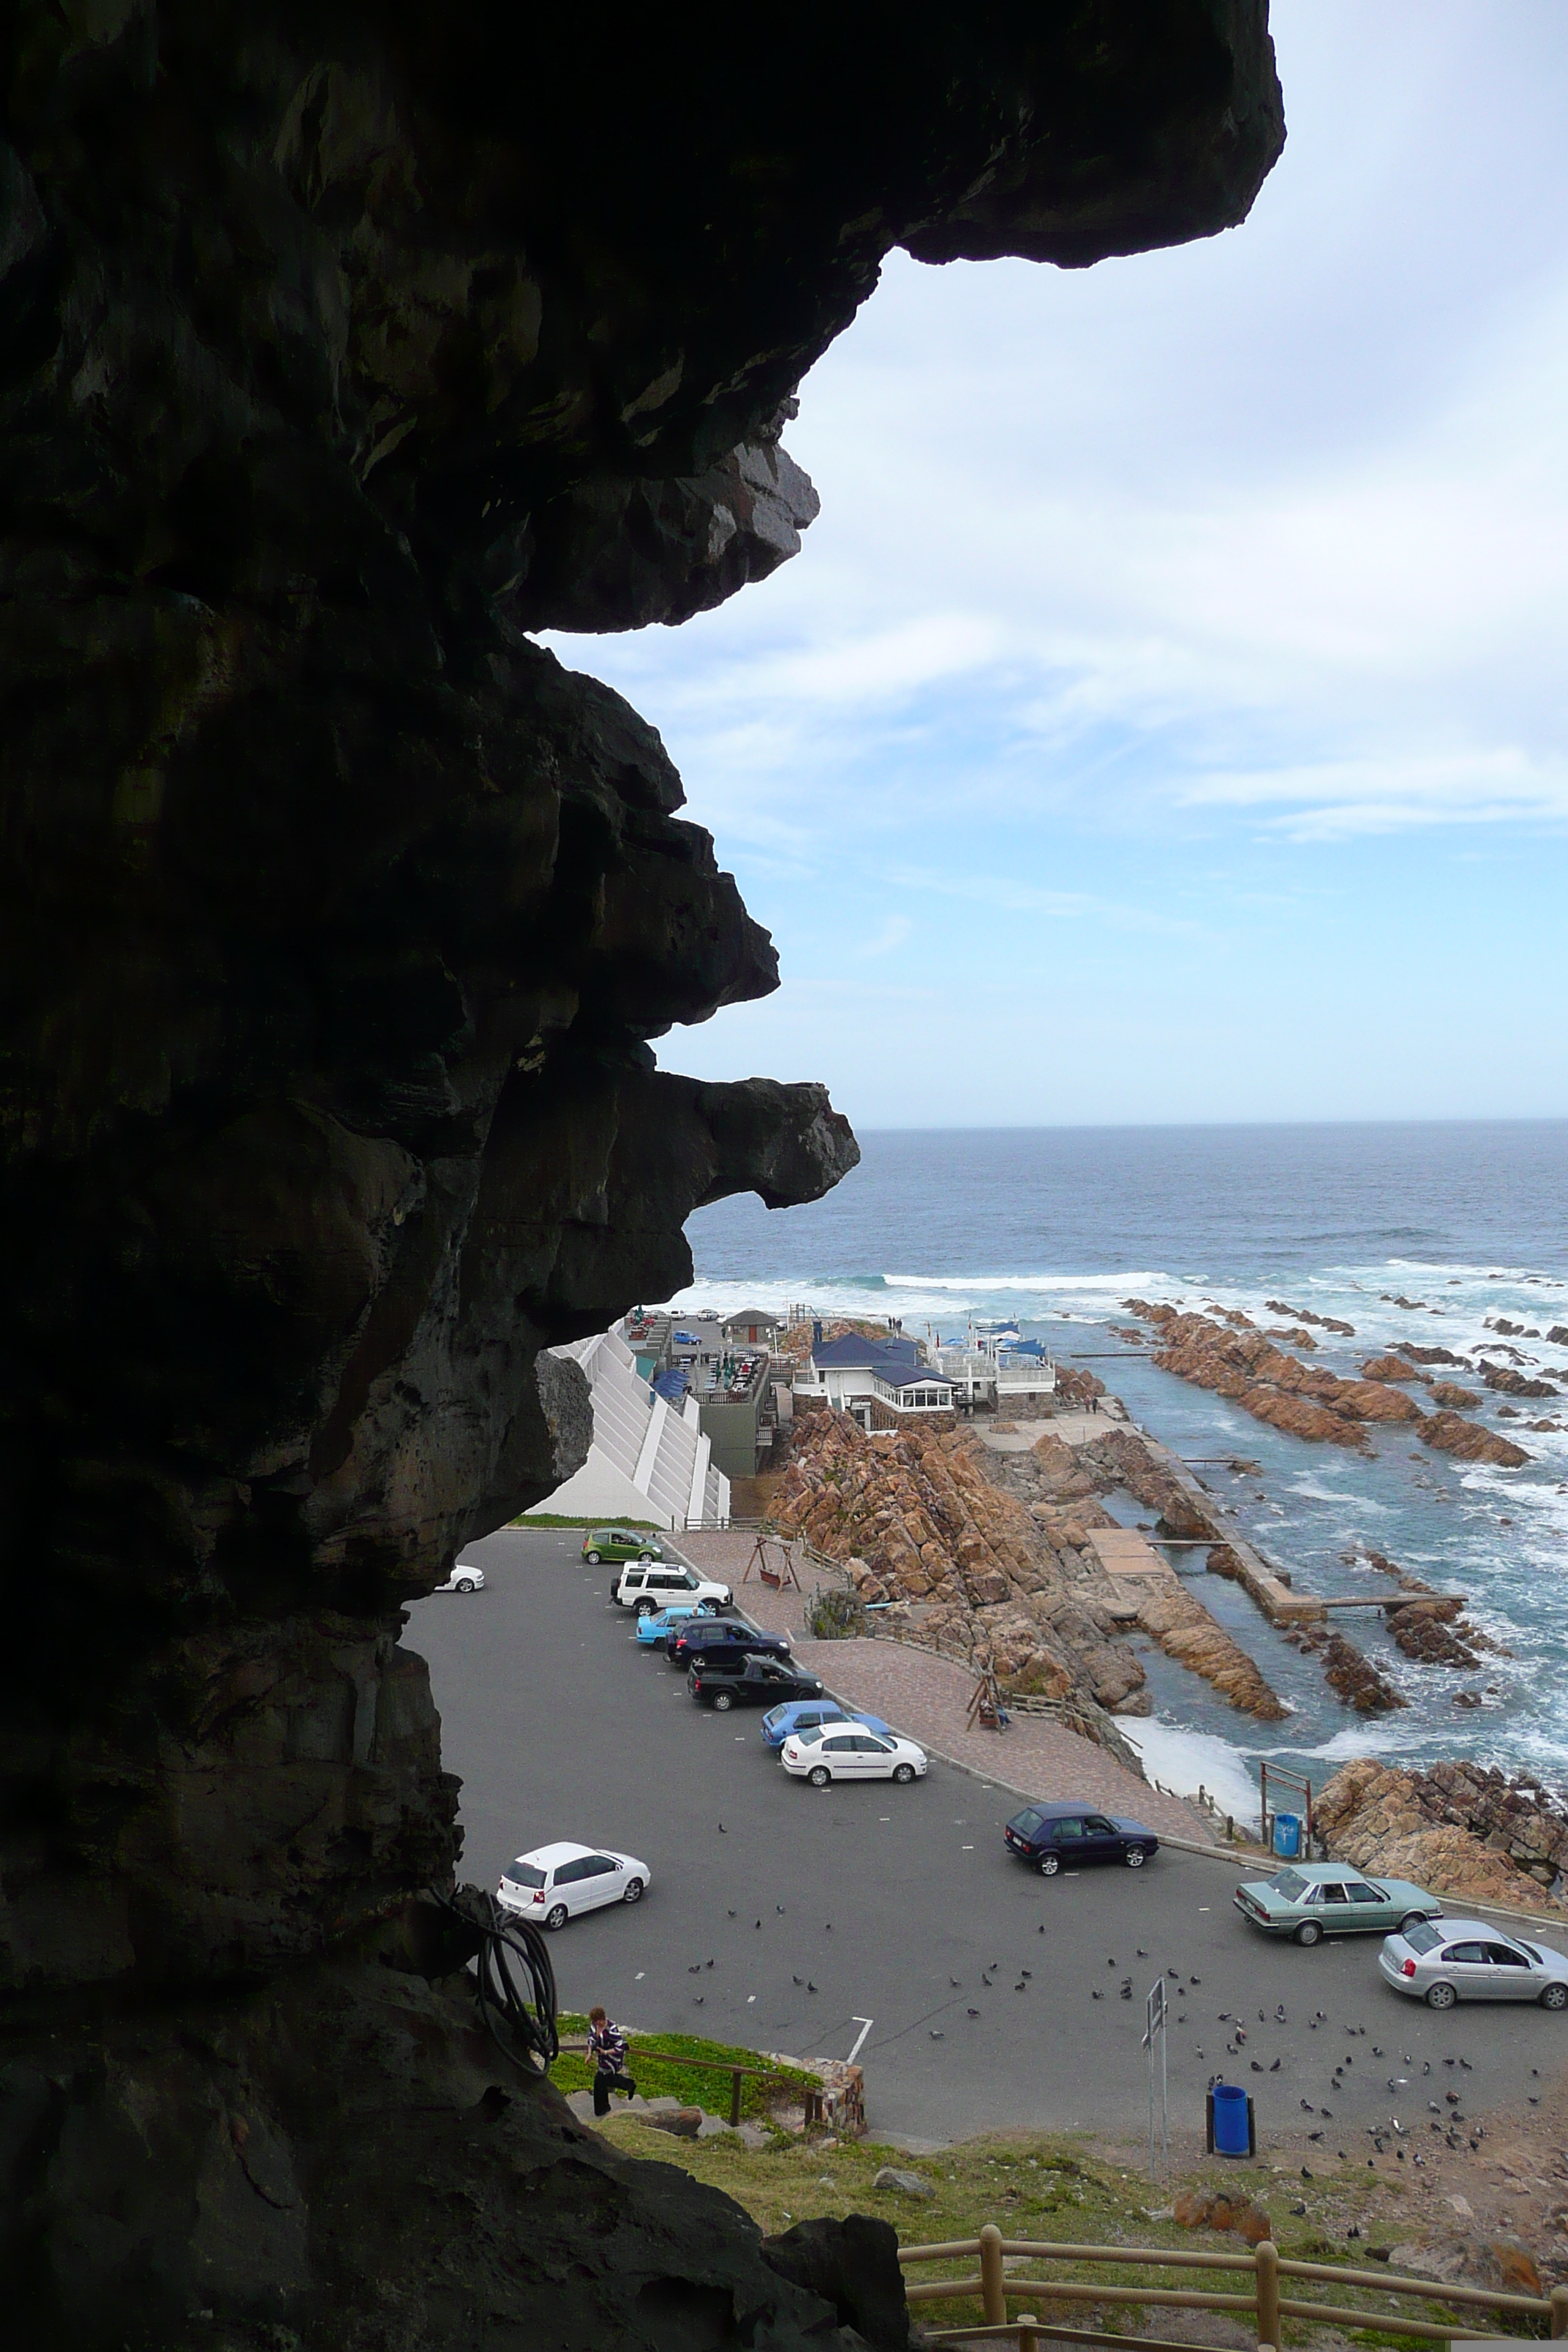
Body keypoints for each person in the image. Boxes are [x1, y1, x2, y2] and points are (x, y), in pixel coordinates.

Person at [587, 2005, 637, 2117]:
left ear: (602, 2019)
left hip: (611, 2057)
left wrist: (605, 2052)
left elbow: (620, 2047)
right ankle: (629, 2085)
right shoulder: (594, 2026)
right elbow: (591, 2039)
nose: (595, 2024)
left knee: (599, 2080)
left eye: (597, 2021)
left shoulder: (612, 2029)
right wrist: (589, 2054)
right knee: (606, 2080)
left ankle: (601, 2109)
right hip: (602, 2056)